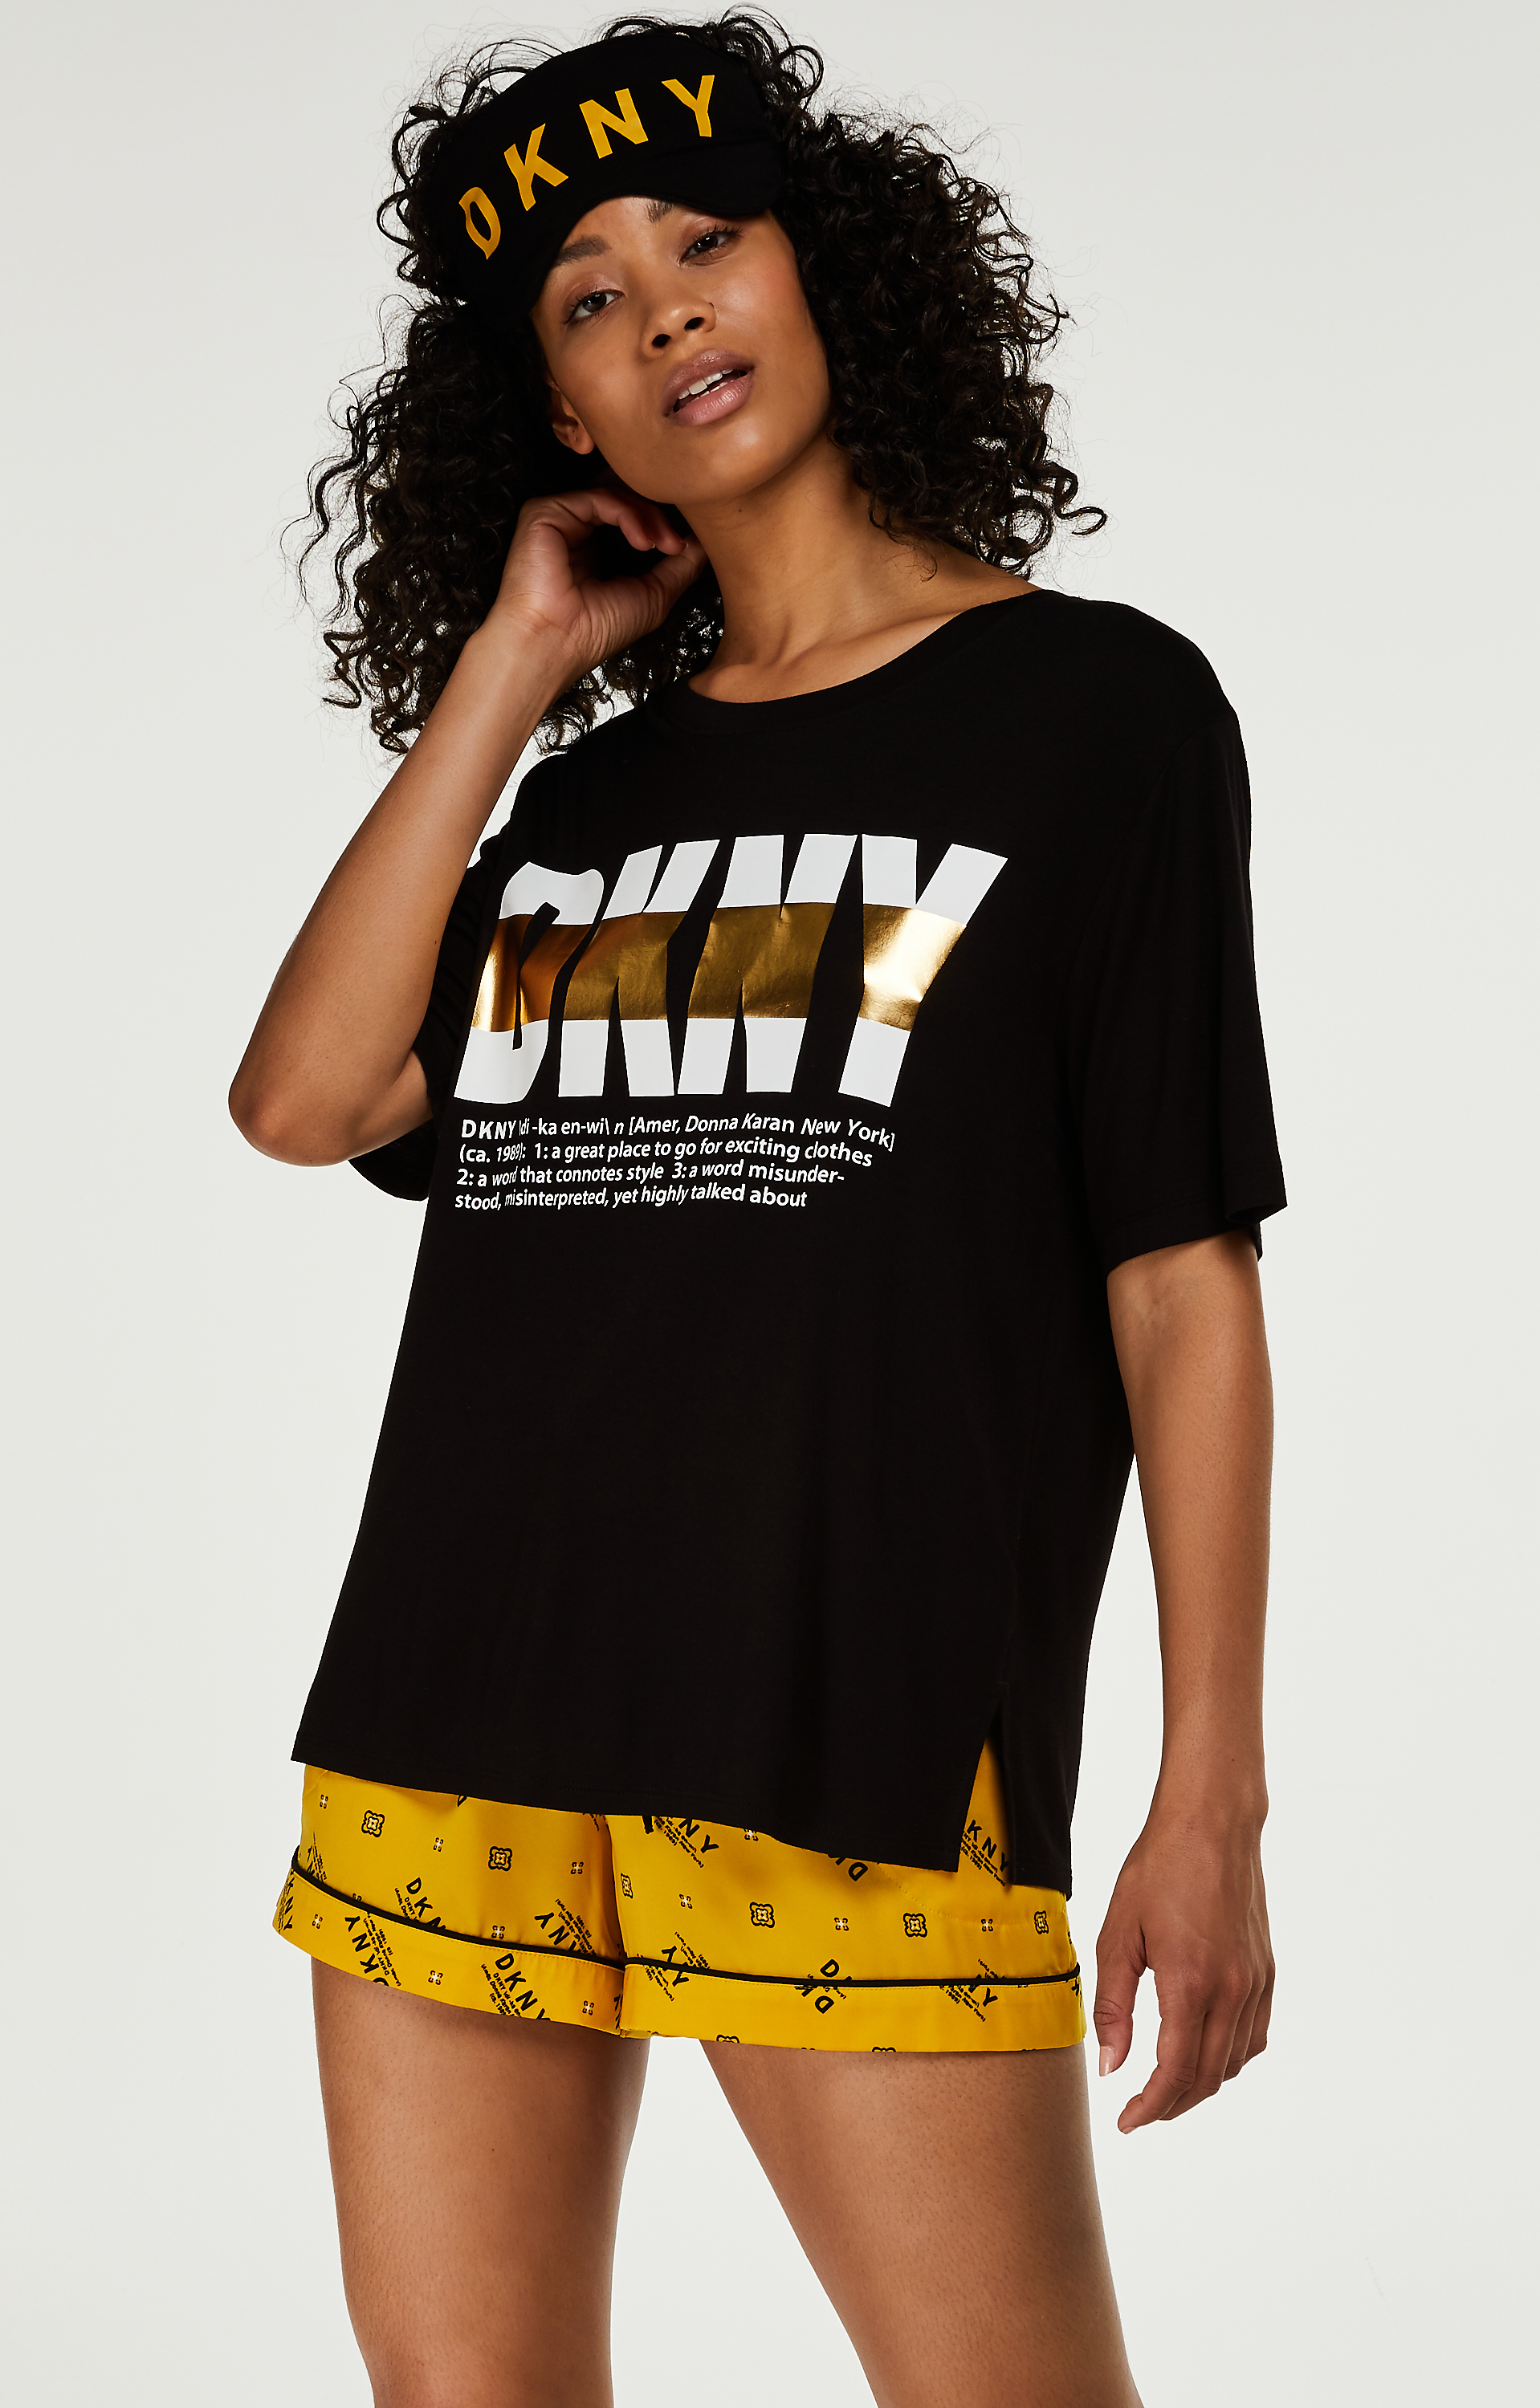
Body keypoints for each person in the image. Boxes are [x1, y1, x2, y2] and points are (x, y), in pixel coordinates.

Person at [230, 14, 1285, 2404]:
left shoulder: (1098, 716)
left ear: (834, 271)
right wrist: (513, 667)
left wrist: (1206, 1787)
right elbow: (309, 1098)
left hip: (854, 1726)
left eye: (707, 239)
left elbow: (1179, 1272)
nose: (667, 310)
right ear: (560, 415)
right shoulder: (585, 804)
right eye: (588, 299)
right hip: (458, 1706)